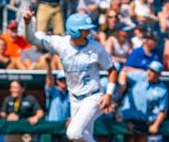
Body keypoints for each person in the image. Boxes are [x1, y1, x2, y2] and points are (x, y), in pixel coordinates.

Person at [23, 10, 118, 141]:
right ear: (75, 31)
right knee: (81, 137)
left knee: (73, 133)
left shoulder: (96, 47)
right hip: (74, 98)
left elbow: (112, 70)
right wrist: (27, 23)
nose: (89, 32)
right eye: (85, 29)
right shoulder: (61, 43)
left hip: (93, 96)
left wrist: (109, 94)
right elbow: (32, 39)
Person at [118, 61, 169, 142]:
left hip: (145, 123)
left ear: (159, 75)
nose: (149, 73)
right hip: (128, 118)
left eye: (153, 71)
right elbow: (124, 72)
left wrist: (156, 125)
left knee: (141, 139)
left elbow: (163, 110)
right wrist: (122, 86)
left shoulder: (162, 89)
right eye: (149, 70)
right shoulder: (141, 76)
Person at [45, 69, 70, 142]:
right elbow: (49, 81)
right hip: (51, 127)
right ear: (57, 81)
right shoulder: (53, 91)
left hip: (64, 128)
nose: (63, 81)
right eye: (61, 79)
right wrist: (48, 64)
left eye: (65, 79)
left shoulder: (70, 94)